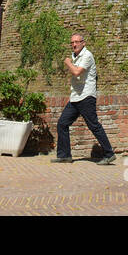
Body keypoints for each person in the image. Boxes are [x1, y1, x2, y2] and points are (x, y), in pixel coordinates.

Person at [52, 32, 116, 165]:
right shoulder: (75, 56)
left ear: (83, 43)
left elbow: (76, 72)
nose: (74, 44)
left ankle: (109, 154)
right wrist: (71, 61)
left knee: (94, 125)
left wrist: (68, 63)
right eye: (72, 42)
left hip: (86, 96)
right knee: (62, 124)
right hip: (75, 97)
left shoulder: (87, 55)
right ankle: (64, 155)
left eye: (77, 42)